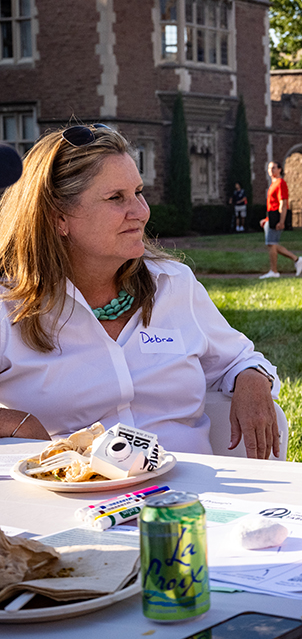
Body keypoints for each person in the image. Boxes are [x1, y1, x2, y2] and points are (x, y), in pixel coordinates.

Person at [0, 125, 282, 457]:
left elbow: (239, 358)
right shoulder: (9, 305)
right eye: (116, 198)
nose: (141, 212)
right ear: (58, 218)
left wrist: (252, 379)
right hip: (72, 498)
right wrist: (20, 425)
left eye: (138, 192)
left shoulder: (174, 283)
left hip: (193, 495)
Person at [260, 161, 302, 279]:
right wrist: (267, 219)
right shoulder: (273, 183)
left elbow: (283, 203)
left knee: (272, 244)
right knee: (271, 244)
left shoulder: (281, 183)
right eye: (269, 168)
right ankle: (297, 259)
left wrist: (281, 221)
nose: (271, 170)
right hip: (272, 218)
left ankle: (274, 271)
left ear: (280, 169)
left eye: (274, 168)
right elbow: (272, 205)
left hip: (277, 218)